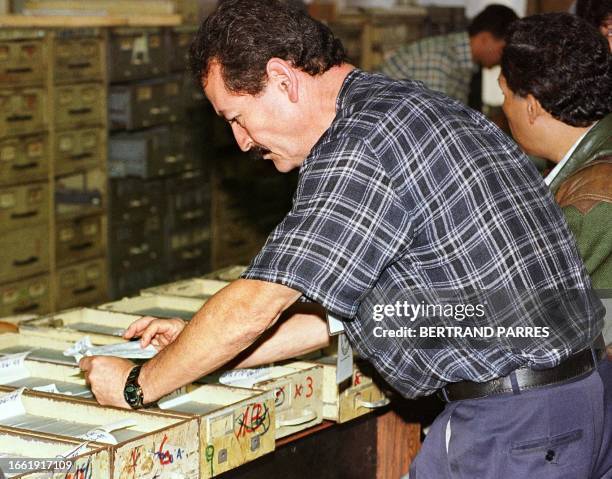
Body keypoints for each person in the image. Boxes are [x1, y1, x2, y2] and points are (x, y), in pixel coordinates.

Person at [81, 1, 608, 476]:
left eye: (236, 118)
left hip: (515, 423)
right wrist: (196, 346)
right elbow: (346, 317)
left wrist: (139, 384)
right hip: (572, 404)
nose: (241, 142)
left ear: (282, 79)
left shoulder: (361, 143)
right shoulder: (407, 109)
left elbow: (258, 303)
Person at [499, 12, 612, 357]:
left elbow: (523, 322)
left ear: (532, 106)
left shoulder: (589, 204)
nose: (503, 108)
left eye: (505, 93)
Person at [380, 4, 517, 104]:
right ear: (485, 38)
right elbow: (432, 121)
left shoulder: (462, 60)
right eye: (502, 50)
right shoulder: (440, 58)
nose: (502, 60)